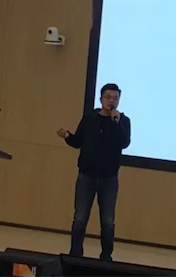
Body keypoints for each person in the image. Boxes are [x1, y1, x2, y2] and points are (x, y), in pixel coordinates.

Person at [57, 83, 131, 261]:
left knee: (107, 221)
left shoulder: (123, 121)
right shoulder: (90, 118)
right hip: (86, 176)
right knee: (80, 218)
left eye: (115, 98)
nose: (111, 101)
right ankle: (75, 255)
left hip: (109, 178)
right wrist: (67, 136)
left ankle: (106, 257)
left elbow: (124, 143)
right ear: (101, 99)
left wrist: (116, 123)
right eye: (108, 97)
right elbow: (78, 141)